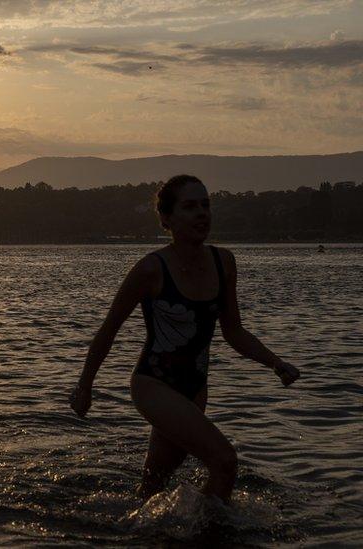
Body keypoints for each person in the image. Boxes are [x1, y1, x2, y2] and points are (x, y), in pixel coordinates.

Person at [69, 174, 301, 504]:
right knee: (224, 462)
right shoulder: (152, 269)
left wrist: (275, 362)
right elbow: (109, 330)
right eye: (190, 207)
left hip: (195, 389)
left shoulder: (224, 263)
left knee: (153, 486)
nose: (202, 213)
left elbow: (233, 331)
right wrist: (85, 386)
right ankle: (210, 534)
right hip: (154, 385)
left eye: (206, 205)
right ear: (167, 218)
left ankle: (135, 532)